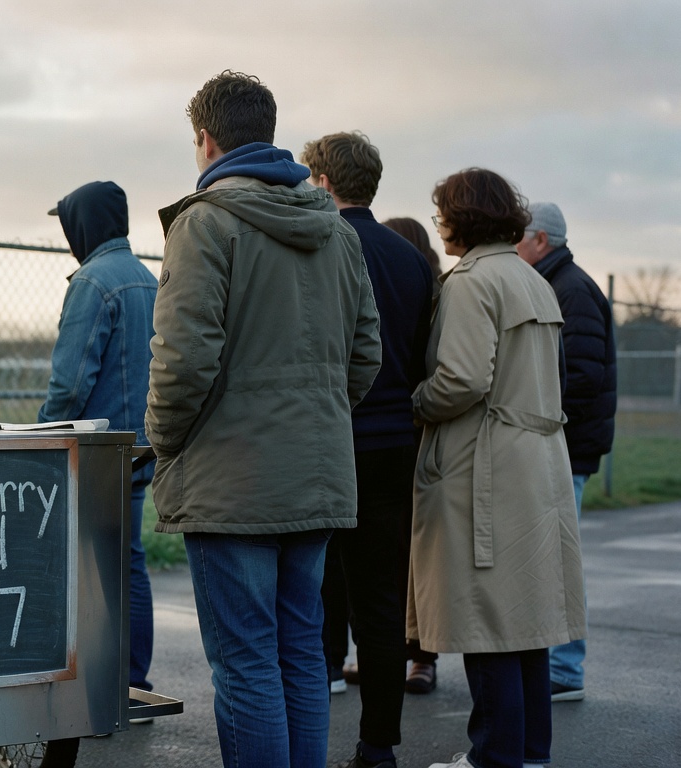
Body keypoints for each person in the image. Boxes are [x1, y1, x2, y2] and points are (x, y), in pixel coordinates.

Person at [146, 71, 382, 768]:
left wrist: (167, 440)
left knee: (246, 660)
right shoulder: (336, 233)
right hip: (316, 473)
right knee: (300, 650)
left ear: (205, 140)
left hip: (231, 482)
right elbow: (366, 354)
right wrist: (318, 418)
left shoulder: (204, 223)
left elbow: (182, 361)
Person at [414, 169, 586, 768]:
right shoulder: (532, 279)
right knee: (526, 619)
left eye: (442, 213)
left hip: (483, 464)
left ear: (462, 217)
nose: (439, 225)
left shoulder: (472, 281)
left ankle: (493, 757)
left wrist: (415, 402)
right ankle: (529, 752)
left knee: (484, 616)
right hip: (536, 461)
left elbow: (462, 379)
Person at [302, 132, 435, 768]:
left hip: (329, 438)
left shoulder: (319, 245)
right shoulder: (411, 259)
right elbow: (422, 353)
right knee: (381, 604)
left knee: (308, 592)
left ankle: (299, 735)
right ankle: (378, 746)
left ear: (323, 181)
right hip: (394, 443)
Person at [40, 181, 159, 701]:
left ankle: (101, 687)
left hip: (96, 451)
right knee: (128, 559)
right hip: (140, 447)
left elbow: (70, 384)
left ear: (82, 225)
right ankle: (131, 680)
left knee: (88, 569)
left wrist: (43, 435)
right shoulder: (150, 278)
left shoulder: (92, 282)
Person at [515, 201, 616, 704]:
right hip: (565, 445)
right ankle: (557, 665)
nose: (514, 246)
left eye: (520, 236)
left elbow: (579, 374)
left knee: (559, 558)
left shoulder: (569, 289)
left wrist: (536, 417)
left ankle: (565, 668)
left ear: (541, 240)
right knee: (554, 556)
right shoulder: (559, 282)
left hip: (567, 448)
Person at [380, 215, 444, 695]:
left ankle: (422, 656)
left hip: (418, 432)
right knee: (389, 555)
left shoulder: (436, 295)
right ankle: (392, 654)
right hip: (394, 430)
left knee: (414, 555)